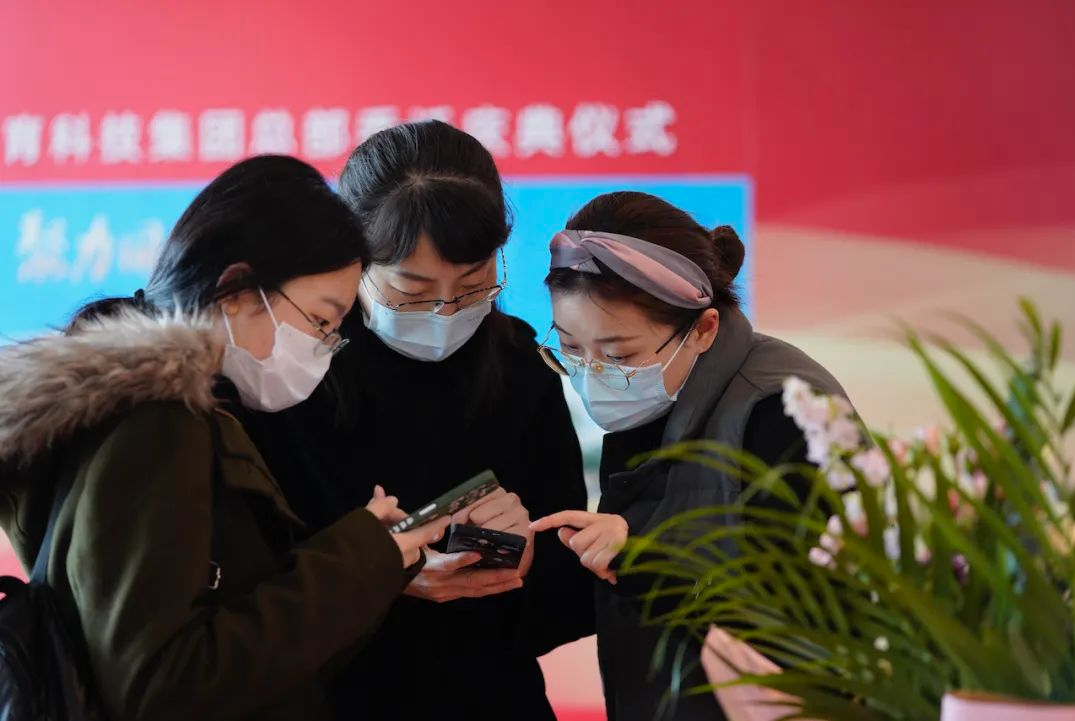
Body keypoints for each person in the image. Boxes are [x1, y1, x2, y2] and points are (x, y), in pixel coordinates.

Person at [0, 155, 442, 721]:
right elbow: (164, 684)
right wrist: (357, 559)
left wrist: (374, 558)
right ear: (236, 290)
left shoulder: (164, 411)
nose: (324, 349)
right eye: (319, 321)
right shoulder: (159, 424)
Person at [234, 120, 595, 721]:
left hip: (486, 698)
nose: (445, 311)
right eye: (412, 291)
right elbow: (243, 592)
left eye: (473, 286)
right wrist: (381, 579)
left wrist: (524, 560)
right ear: (352, 262)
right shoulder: (290, 369)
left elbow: (570, 574)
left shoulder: (520, 367)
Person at [530, 191, 849, 720]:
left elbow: (812, 617)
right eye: (570, 349)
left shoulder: (782, 410)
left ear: (703, 329)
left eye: (618, 354)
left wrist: (644, 556)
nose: (593, 375)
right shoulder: (655, 393)